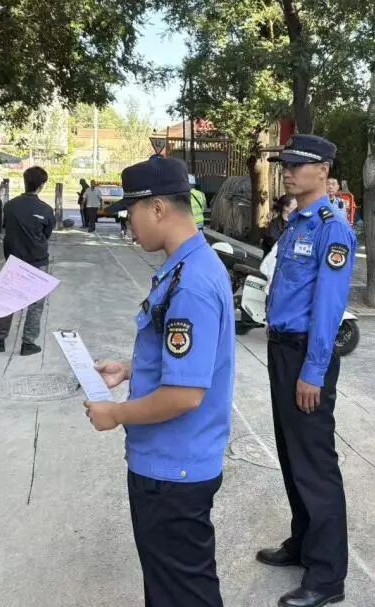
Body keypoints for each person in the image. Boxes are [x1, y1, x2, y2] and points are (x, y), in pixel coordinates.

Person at [85, 156, 235, 607]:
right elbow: (188, 362)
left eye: (130, 212)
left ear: (156, 209)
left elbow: (186, 394)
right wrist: (131, 370)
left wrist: (115, 413)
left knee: (183, 593)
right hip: (173, 462)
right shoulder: (190, 266)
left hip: (173, 468)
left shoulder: (190, 284)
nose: (128, 225)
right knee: (171, 588)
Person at [257, 135, 356, 607]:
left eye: (298, 164)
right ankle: (303, 544)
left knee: (315, 465)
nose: (288, 170)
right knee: (292, 456)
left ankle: (326, 578)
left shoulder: (331, 227)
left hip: (305, 356)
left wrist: (313, 371)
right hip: (283, 351)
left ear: (323, 170)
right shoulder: (297, 222)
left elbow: (328, 307)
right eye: (285, 163)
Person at [0, 166, 54, 356]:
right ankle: (28, 344)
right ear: (42, 185)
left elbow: (4, 228)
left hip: (14, 262)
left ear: (25, 182)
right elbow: (46, 234)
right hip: (38, 262)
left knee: (7, 300)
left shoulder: (10, 206)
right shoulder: (46, 210)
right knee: (35, 305)